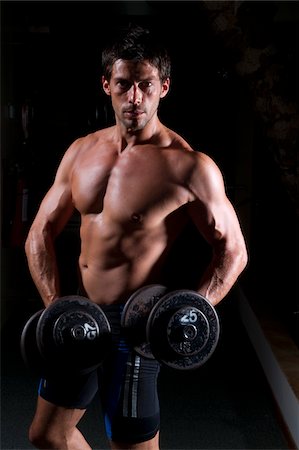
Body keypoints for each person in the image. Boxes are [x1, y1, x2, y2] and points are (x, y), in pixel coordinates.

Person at [24, 23, 248, 450]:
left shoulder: (188, 166)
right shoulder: (81, 151)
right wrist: (56, 307)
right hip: (79, 313)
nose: (134, 98)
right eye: (124, 84)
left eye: (146, 85)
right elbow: (38, 234)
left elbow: (233, 251)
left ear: (164, 87)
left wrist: (187, 313)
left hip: (136, 327)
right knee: (47, 435)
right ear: (106, 83)